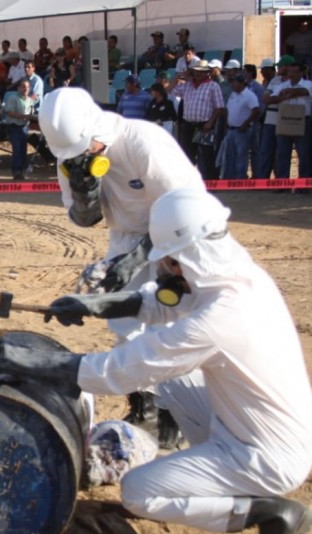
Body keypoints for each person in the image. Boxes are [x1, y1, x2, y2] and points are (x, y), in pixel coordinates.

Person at [0, 188, 312, 534]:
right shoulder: (237, 278)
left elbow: (123, 370)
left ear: (190, 256)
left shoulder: (222, 318)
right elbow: (161, 302)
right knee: (173, 380)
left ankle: (270, 513)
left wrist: (40, 364)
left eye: (171, 261)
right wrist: (93, 305)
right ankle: (221, 480)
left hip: (266, 456)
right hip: (258, 423)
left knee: (139, 492)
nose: (167, 270)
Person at [38, 87, 205, 439]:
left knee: (172, 326)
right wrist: (86, 193)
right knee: (126, 324)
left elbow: (182, 211)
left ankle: (175, 416)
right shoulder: (70, 154)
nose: (80, 155)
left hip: (181, 237)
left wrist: (138, 260)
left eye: (85, 148)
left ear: (96, 129)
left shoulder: (143, 143)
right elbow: (85, 220)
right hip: (126, 237)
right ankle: (144, 407)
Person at [168, 60, 225, 180]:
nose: (199, 74)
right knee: (187, 154)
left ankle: (210, 181)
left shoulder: (213, 86)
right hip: (188, 124)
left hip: (204, 125)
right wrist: (178, 77)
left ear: (206, 73)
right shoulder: (187, 85)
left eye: (202, 72)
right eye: (197, 71)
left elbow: (219, 107)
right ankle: (188, 180)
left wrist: (210, 122)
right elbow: (169, 89)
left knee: (206, 155)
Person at [273, 57, 312, 183]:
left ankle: (303, 184)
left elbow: (305, 91)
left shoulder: (309, 84)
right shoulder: (281, 85)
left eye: (295, 72)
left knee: (304, 154)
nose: (292, 74)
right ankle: (282, 183)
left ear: (301, 73)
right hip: (285, 120)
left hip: (303, 121)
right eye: (290, 72)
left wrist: (290, 92)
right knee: (282, 154)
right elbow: (269, 100)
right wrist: (282, 96)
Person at [222, 74, 260, 180]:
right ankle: (229, 178)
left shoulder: (249, 95)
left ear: (242, 83)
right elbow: (228, 110)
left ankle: (240, 178)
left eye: (234, 82)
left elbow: (256, 110)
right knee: (230, 155)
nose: (232, 85)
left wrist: (246, 123)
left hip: (242, 130)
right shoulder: (233, 95)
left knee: (241, 156)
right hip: (231, 129)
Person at [3, 79, 35, 180]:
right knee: (16, 149)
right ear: (18, 88)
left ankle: (21, 171)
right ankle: (16, 171)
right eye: (23, 87)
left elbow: (31, 114)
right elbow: (9, 112)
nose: (25, 89)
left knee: (23, 150)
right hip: (14, 127)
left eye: (27, 87)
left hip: (24, 127)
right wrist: (23, 116)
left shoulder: (30, 100)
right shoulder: (12, 98)